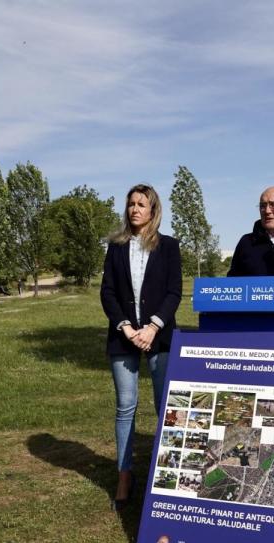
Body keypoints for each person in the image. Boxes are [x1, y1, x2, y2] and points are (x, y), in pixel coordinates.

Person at [100, 184, 182, 511]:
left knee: (166, 408)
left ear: (152, 210)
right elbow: (107, 293)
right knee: (125, 406)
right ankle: (124, 474)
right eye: (131, 204)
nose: (135, 209)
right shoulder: (116, 247)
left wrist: (152, 327)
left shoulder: (169, 247)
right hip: (123, 337)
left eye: (141, 204)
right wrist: (126, 327)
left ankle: (169, 471)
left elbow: (174, 292)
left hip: (159, 336)